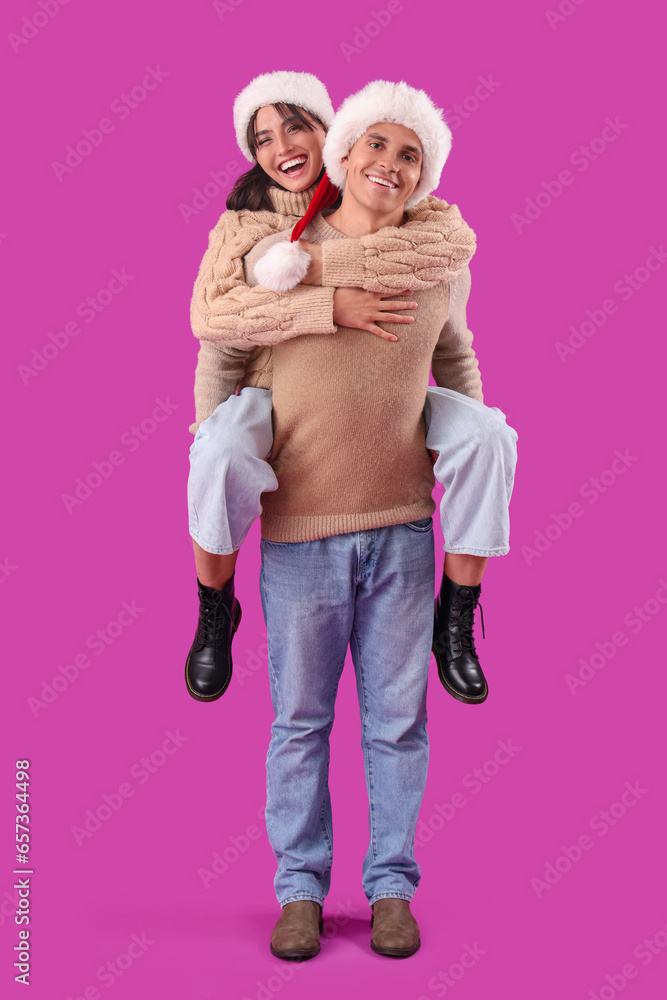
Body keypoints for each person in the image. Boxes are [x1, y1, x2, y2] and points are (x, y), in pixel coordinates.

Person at [194, 79, 516, 959]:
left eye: (408, 152)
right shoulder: (284, 246)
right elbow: (218, 338)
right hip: (301, 529)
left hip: (404, 527)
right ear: (345, 151)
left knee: (397, 723)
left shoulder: (436, 254)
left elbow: (455, 355)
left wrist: (466, 441)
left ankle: (390, 890)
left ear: (424, 172)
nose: (390, 162)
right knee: (299, 723)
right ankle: (299, 889)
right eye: (376, 145)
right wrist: (208, 434)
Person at [185, 72, 493, 706]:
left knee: (490, 436)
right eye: (263, 138)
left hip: (386, 405)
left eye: (295, 125)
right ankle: (215, 609)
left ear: (333, 136)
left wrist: (319, 267)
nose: (282, 146)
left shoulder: (393, 221)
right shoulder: (247, 232)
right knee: (217, 453)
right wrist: (328, 307)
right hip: (267, 399)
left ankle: (458, 613)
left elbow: (447, 262)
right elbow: (216, 330)